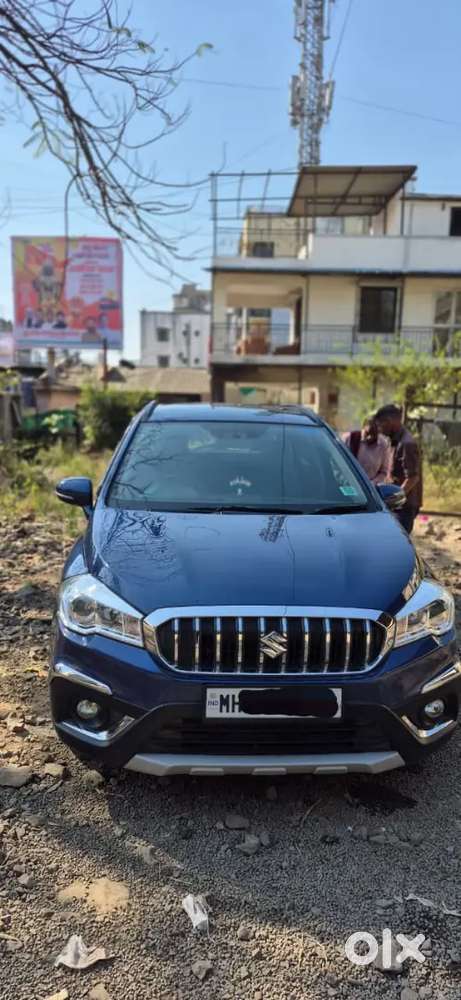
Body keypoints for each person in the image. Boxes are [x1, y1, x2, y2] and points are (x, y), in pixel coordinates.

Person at [375, 403, 422, 534]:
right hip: (396, 507)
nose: (379, 429)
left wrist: (395, 498)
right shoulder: (394, 440)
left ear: (389, 421)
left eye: (380, 425)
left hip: (403, 508)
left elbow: (413, 478)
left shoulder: (406, 444)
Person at [342, 416, 392, 485]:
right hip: (347, 484)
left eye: (373, 434)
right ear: (363, 428)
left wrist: (372, 483)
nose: (370, 437)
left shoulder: (383, 445)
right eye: (367, 433)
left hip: (369, 489)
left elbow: (383, 472)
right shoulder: (349, 439)